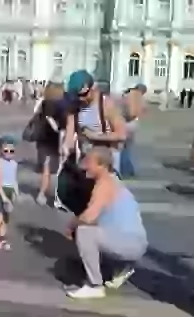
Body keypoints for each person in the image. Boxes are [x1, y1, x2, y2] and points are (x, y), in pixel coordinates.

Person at [65, 146, 147, 299]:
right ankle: (120, 268)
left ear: (102, 165)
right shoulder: (114, 182)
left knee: (84, 231)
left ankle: (94, 285)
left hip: (128, 244)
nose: (84, 166)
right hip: (136, 243)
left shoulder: (104, 185)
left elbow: (89, 216)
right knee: (95, 228)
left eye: (89, 162)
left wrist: (71, 225)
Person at [63, 70, 126, 174]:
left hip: (106, 163)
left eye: (83, 95)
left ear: (93, 88)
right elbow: (70, 131)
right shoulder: (75, 105)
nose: (81, 98)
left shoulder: (106, 104)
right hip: (87, 162)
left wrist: (95, 136)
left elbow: (121, 134)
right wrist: (66, 148)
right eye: (77, 96)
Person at [34, 82, 67, 206]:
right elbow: (58, 122)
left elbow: (37, 114)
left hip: (43, 138)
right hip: (55, 138)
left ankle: (42, 194)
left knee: (46, 168)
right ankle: (56, 196)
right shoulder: (60, 104)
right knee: (60, 168)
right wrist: (58, 129)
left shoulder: (44, 102)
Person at [0, 136, 20, 252]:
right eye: (5, 150)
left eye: (11, 151)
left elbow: (13, 179)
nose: (9, 153)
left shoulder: (14, 164)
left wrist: (16, 192)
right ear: (1, 151)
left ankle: (2, 240)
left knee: (5, 220)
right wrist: (4, 198)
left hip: (9, 191)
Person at [120, 83, 147, 177]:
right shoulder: (137, 97)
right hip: (131, 125)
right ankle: (128, 169)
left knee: (123, 148)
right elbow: (141, 111)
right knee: (126, 148)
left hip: (125, 124)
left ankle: (126, 169)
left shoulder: (127, 95)